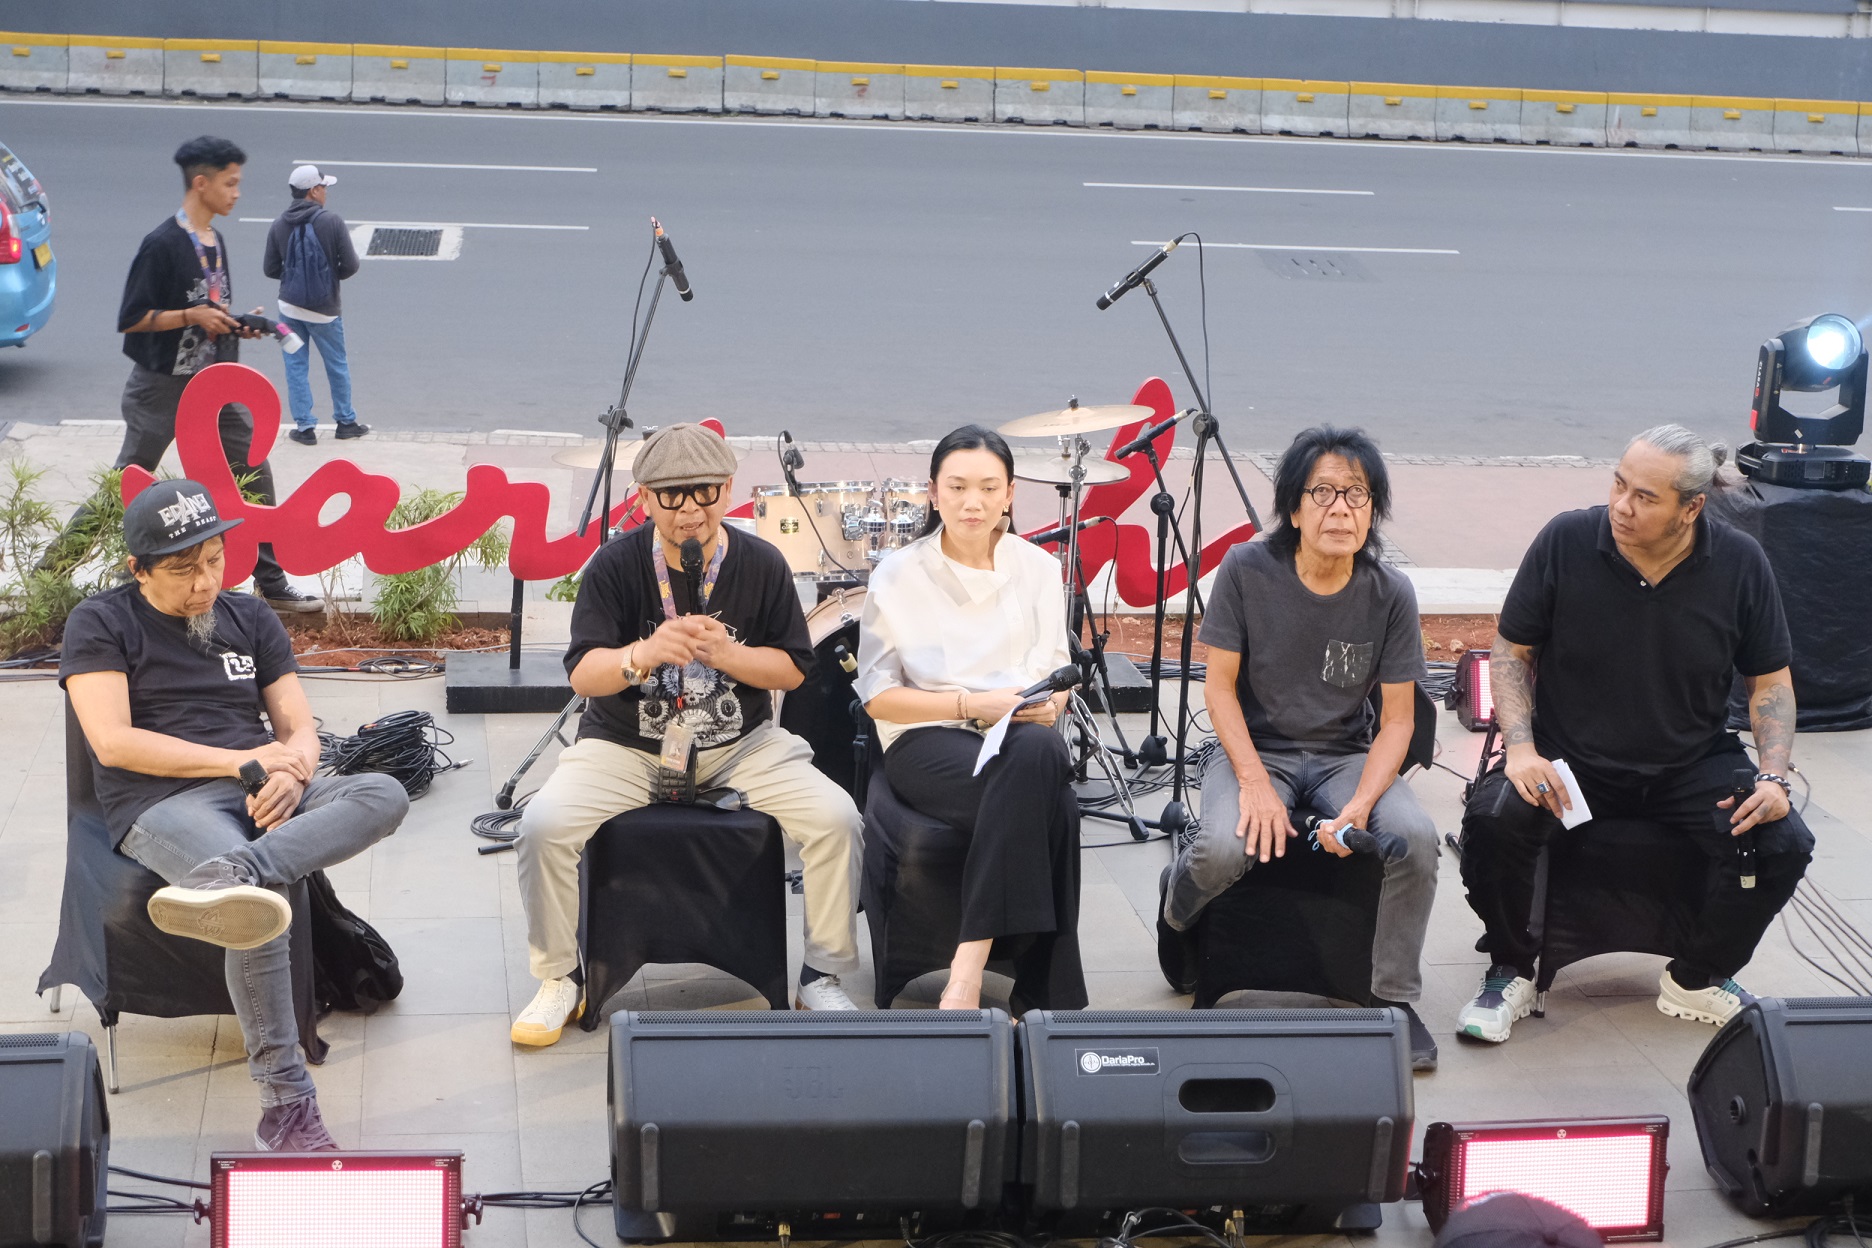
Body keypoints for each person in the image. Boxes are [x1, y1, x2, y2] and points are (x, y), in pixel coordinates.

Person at [60, 479, 407, 1150]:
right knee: (261, 900)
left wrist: (295, 768)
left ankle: (233, 872)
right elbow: (114, 742)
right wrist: (240, 762)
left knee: (381, 793)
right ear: (138, 569)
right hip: (163, 800)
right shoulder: (101, 622)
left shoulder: (250, 617)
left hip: (261, 786)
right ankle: (286, 1103)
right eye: (183, 569)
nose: (203, 581)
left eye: (213, 559)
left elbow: (298, 725)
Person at [1456, 424, 1812, 1043]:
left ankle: (1698, 977)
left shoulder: (1738, 563)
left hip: (1689, 763)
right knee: (1494, 820)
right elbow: (1512, 654)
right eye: (1619, 484)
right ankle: (1511, 967)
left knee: (1781, 840)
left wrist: (1774, 774)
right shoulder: (1568, 540)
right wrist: (1520, 748)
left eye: (1646, 497)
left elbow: (1771, 683)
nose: (1622, 506)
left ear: (1691, 508)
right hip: (1574, 762)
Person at [512, 423, 864, 1044]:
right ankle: (558, 976)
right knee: (543, 827)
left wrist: (729, 655)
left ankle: (823, 973)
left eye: (703, 494)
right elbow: (584, 676)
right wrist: (641, 653)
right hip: (625, 744)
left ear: (727, 490)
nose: (689, 513)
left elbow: (791, 667)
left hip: (742, 744)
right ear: (643, 498)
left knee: (837, 817)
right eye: (671, 497)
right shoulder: (616, 565)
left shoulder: (760, 562)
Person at [1156, 425, 1440, 1069]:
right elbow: (1219, 689)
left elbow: (1397, 720)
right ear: (1293, 507)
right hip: (1254, 748)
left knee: (1415, 839)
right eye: (1324, 492)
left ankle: (1392, 998)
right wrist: (1254, 782)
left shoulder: (1389, 592)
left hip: (1345, 755)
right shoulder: (1248, 570)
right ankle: (1178, 910)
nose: (1341, 509)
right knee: (1225, 847)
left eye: (1358, 495)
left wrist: (1363, 804)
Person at [856, 424, 1088, 1011]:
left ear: (1010, 493)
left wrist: (1045, 705)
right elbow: (879, 697)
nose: (972, 501)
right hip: (928, 738)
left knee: (1039, 757)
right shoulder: (899, 574)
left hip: (1017, 735)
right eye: (957, 487)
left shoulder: (1036, 567)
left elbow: (1059, 671)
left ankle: (970, 969)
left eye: (988, 487)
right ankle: (1028, 988)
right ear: (933, 493)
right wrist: (969, 705)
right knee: (1049, 788)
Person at [47, 136, 320, 613]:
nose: (237, 193)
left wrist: (231, 322)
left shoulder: (216, 241)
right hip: (162, 388)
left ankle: (271, 581)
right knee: (125, 483)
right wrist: (192, 316)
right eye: (230, 183)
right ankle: (51, 572)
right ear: (201, 183)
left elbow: (209, 308)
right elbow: (133, 317)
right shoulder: (163, 244)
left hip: (213, 386)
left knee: (252, 470)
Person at [262, 164, 366, 446]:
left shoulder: (279, 224)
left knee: (295, 366)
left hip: (287, 311)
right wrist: (330, 278)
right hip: (326, 312)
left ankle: (304, 428)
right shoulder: (331, 222)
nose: (326, 192)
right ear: (314, 190)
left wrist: (293, 277)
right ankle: (345, 422)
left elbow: (270, 269)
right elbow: (351, 265)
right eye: (324, 187)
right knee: (337, 364)